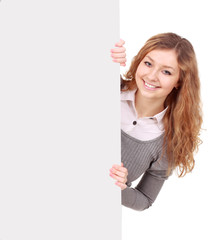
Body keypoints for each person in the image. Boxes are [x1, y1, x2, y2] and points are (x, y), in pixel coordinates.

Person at [109, 33, 203, 211]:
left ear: (179, 81)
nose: (152, 76)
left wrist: (120, 189)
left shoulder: (168, 143)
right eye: (148, 63)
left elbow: (144, 200)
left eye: (166, 71)